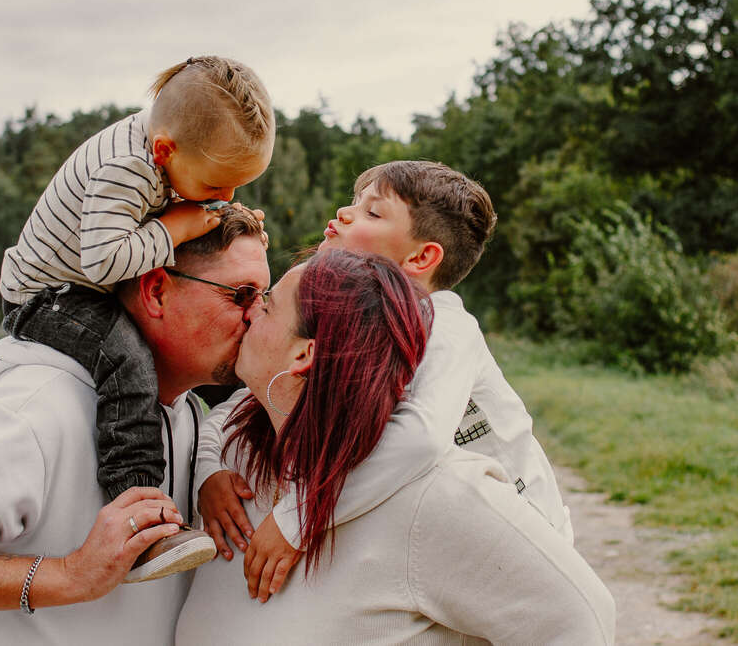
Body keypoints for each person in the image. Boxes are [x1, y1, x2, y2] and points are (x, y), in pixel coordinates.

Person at [0, 209, 271, 645]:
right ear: (156, 291)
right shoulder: (37, 409)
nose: (256, 316)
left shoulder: (190, 414)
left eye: (264, 298)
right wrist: (69, 575)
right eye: (241, 295)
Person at [176, 250, 615, 645]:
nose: (250, 311)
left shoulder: (431, 496)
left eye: (268, 305)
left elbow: (578, 618)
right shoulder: (240, 456)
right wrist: (209, 472)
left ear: (303, 355)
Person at [198, 160, 573, 601]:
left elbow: (420, 440)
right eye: (354, 202)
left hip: (523, 542)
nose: (344, 213)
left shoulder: (445, 326)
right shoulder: (351, 321)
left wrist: (295, 519)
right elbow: (240, 405)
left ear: (421, 258)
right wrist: (210, 471)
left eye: (372, 212)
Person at [0, 55, 274, 578]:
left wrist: (219, 217)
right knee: (127, 361)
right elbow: (104, 261)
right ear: (165, 150)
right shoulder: (124, 168)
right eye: (217, 187)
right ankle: (140, 519)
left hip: (86, 285)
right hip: (45, 296)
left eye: (236, 188)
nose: (227, 196)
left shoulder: (170, 148)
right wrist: (178, 229)